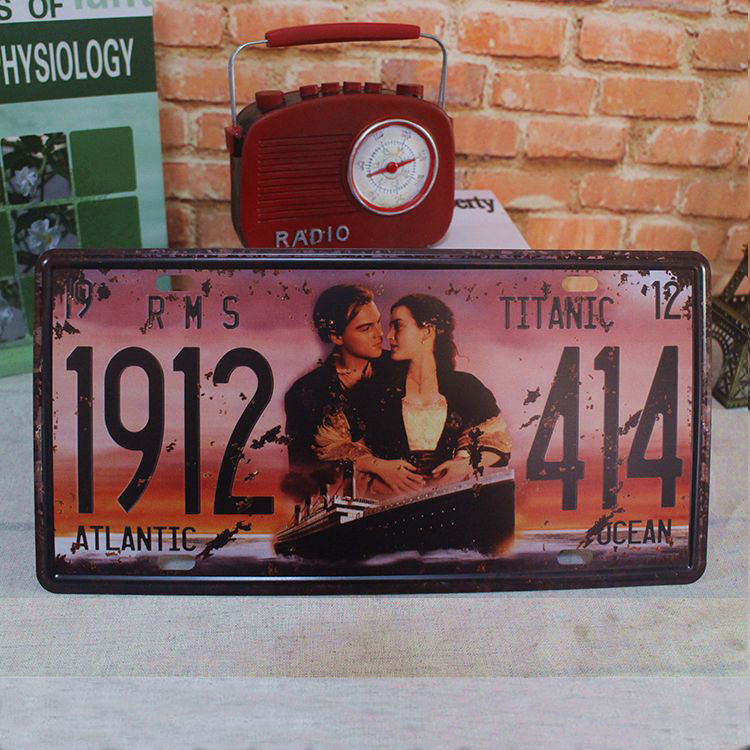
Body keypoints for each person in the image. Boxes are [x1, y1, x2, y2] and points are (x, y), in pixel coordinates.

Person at [315, 293, 511, 496]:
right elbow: (333, 447)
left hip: (450, 500)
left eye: (398, 326)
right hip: (386, 502)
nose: (389, 336)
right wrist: (380, 467)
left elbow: (497, 441)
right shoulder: (374, 390)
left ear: (427, 331)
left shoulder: (466, 387)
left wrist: (464, 464)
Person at [284, 283, 396, 471]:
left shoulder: (400, 369)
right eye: (366, 328)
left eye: (378, 322)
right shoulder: (305, 393)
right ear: (336, 336)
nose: (380, 334)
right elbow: (301, 470)